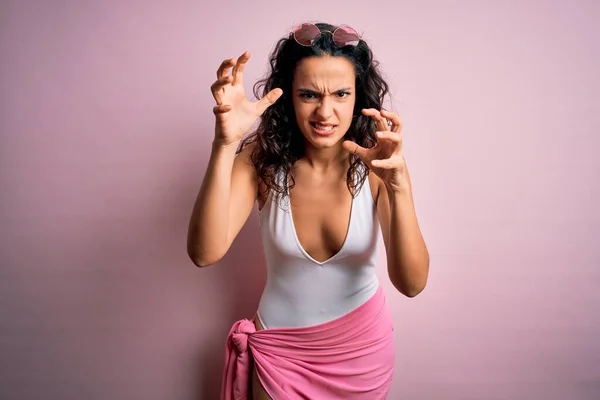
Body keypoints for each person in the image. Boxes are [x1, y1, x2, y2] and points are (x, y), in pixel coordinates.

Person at [187, 22, 430, 399]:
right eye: (309, 94)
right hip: (281, 356)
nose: (325, 112)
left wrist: (399, 186)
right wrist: (224, 144)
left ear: (358, 96)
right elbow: (204, 253)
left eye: (341, 94)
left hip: (361, 354)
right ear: (288, 97)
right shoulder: (262, 161)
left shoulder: (379, 162)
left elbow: (412, 284)